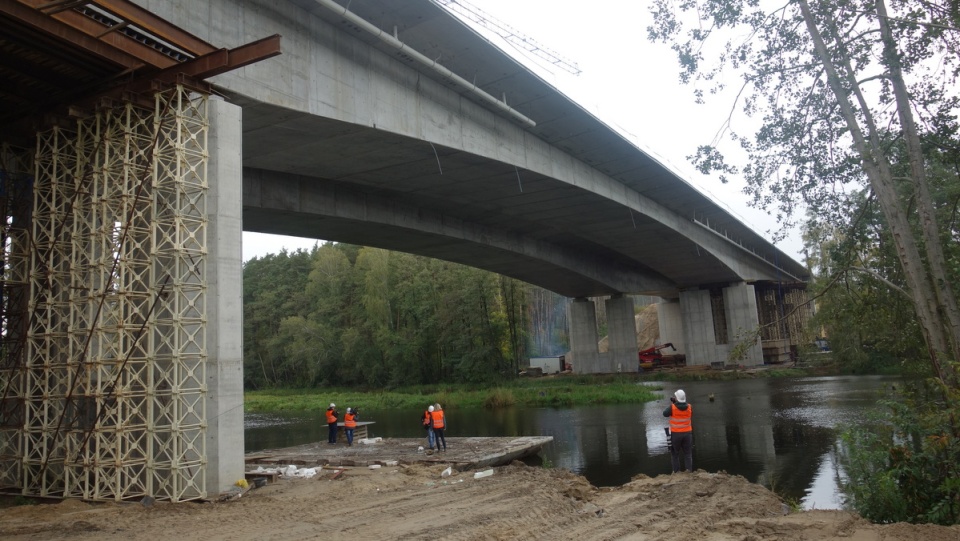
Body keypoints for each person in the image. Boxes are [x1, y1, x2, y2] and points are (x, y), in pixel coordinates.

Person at [662, 389, 693, 473]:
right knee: (688, 453)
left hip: (676, 434)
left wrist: (673, 404)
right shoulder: (689, 407)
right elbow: (684, 410)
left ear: (677, 398)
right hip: (687, 433)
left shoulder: (673, 407)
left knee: (675, 454)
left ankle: (676, 471)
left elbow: (665, 414)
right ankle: (689, 471)